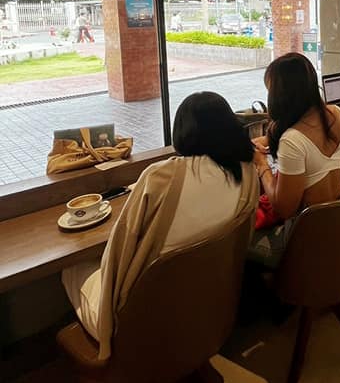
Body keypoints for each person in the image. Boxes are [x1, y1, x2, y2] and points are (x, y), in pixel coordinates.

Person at [61, 92, 258, 358]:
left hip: (148, 317)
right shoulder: (245, 171)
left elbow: (119, 253)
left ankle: (112, 357)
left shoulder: (161, 176)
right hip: (211, 304)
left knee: (71, 267)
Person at [248, 53, 340, 268]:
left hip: (308, 236)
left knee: (240, 243)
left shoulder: (292, 140)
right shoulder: (335, 114)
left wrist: (261, 164)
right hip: (339, 220)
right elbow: (310, 134)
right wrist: (269, 139)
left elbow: (284, 209)